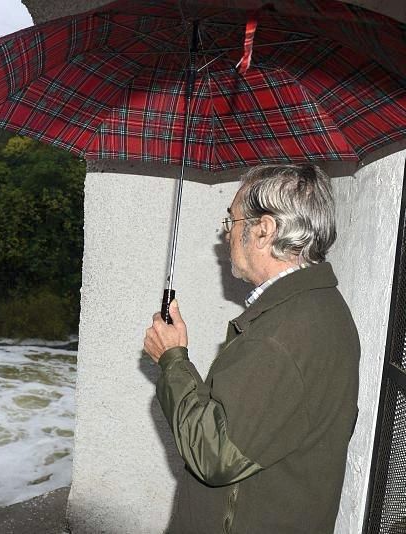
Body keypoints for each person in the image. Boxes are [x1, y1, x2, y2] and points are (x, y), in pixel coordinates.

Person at [143, 163, 359, 534]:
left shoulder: (281, 335)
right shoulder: (320, 306)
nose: (226, 236)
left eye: (233, 222)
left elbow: (213, 454)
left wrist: (173, 359)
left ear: (264, 230)